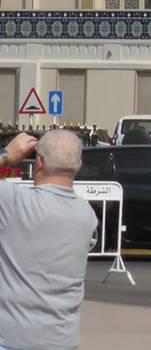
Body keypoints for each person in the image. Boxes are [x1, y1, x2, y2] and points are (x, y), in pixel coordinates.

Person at [0, 130, 99, 350]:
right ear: (79, 165)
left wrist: (7, 155)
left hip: (12, 340)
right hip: (62, 341)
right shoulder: (87, 215)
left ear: (39, 162)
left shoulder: (13, 202)